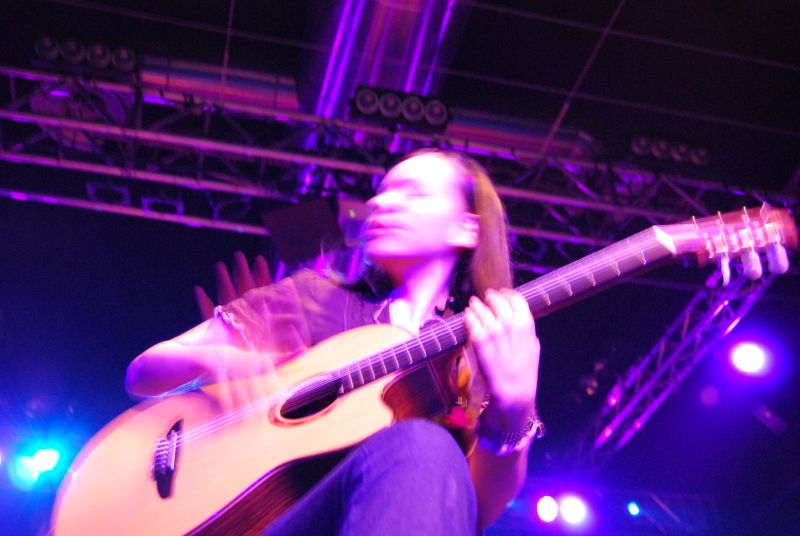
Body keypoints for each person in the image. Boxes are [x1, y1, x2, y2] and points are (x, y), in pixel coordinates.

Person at [125, 148, 542, 534]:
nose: (379, 203)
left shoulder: (482, 348)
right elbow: (142, 372)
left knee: (424, 447)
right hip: (259, 520)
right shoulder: (314, 298)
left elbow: (478, 507)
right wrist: (214, 359)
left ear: (465, 229)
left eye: (412, 194)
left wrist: (514, 409)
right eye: (381, 193)